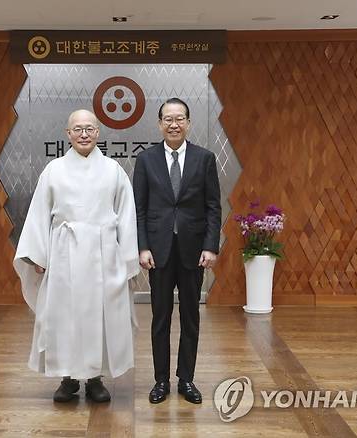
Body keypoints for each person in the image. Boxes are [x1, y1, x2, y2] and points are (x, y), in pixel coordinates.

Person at [14, 109, 139, 403]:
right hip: (64, 254)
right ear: (68, 133)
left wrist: (127, 257)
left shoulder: (113, 170)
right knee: (62, 315)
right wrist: (38, 256)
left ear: (98, 133)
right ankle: (67, 378)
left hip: (104, 253)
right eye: (78, 129)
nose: (84, 134)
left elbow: (127, 215)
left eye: (90, 129)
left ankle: (95, 378)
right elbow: (39, 214)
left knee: (100, 314)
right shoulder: (53, 170)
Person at [133, 98, 221, 404]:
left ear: (188, 123)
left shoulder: (204, 158)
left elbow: (213, 207)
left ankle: (186, 379)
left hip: (193, 251)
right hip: (157, 253)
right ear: (159, 124)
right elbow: (139, 210)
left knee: (190, 317)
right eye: (168, 119)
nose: (174, 124)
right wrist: (142, 246)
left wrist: (211, 246)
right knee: (160, 318)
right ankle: (160, 381)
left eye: (179, 119)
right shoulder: (146, 160)